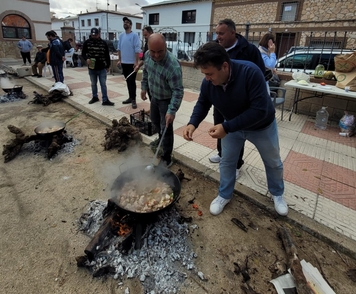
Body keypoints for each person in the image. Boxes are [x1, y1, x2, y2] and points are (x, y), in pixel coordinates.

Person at [183, 42, 288, 217]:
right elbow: (203, 102)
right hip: (232, 126)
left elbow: (259, 110)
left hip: (262, 126)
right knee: (227, 162)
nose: (207, 78)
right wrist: (192, 123)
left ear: (225, 66)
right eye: (204, 74)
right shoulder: (208, 82)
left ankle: (277, 194)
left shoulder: (250, 72)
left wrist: (226, 126)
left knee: (273, 162)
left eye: (210, 74)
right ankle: (224, 195)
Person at [208, 19, 265, 179]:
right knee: (220, 127)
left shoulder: (249, 50)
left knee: (236, 129)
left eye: (221, 33)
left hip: (241, 101)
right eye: (216, 33)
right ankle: (222, 154)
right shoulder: (215, 48)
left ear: (233, 33)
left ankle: (237, 163)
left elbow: (260, 74)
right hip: (220, 97)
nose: (217, 37)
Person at [141, 33, 184, 167]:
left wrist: (172, 111)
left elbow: (178, 91)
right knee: (155, 122)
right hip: (154, 96)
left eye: (160, 51)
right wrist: (144, 87)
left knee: (166, 128)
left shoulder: (173, 66)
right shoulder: (148, 55)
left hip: (166, 100)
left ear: (166, 47)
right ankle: (160, 141)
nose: (157, 55)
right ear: (148, 48)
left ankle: (167, 157)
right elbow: (146, 72)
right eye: (153, 51)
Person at [82, 28, 114, 106]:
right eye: (93, 35)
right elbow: (83, 54)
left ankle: (105, 99)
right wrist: (87, 59)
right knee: (93, 84)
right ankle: (95, 97)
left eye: (96, 35)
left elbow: (107, 55)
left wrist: (108, 65)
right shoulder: (87, 43)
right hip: (92, 68)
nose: (94, 36)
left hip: (102, 67)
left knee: (103, 84)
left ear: (99, 34)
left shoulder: (103, 43)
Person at [118, 17, 141, 109]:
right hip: (124, 63)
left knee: (132, 81)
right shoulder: (121, 36)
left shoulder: (134, 36)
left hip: (132, 63)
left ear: (130, 25)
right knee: (128, 81)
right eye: (124, 22)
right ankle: (130, 97)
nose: (125, 24)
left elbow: (137, 49)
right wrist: (120, 60)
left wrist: (136, 61)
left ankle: (134, 100)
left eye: (127, 22)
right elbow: (119, 49)